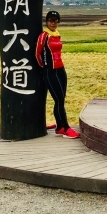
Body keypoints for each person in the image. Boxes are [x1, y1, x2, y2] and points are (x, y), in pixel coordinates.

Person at [35, 10, 80, 139]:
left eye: (55, 21)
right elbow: (37, 54)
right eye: (50, 21)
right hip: (50, 71)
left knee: (61, 100)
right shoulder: (44, 35)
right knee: (59, 100)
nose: (53, 23)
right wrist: (44, 67)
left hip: (61, 69)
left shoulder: (57, 34)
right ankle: (66, 128)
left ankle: (59, 127)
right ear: (46, 22)